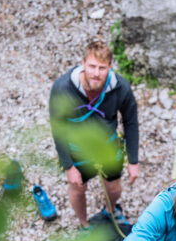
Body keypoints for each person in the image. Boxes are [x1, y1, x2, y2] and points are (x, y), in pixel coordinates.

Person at [49, 39, 139, 228]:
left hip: (107, 145)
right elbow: (58, 128)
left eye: (102, 68)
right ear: (82, 63)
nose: (96, 74)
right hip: (76, 149)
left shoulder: (121, 88)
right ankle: (84, 225)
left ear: (110, 67)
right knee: (78, 189)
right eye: (92, 66)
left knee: (113, 187)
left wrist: (133, 161)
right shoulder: (62, 89)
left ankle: (111, 209)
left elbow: (130, 122)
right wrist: (68, 166)